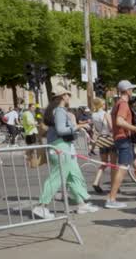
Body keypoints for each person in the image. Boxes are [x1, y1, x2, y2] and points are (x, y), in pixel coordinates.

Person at [32, 89, 100, 220]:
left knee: (73, 175)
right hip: (60, 146)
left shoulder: (57, 110)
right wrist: (80, 126)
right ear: (63, 96)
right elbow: (62, 130)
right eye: (68, 94)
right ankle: (41, 205)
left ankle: (81, 204)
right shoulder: (59, 111)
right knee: (57, 177)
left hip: (62, 146)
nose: (70, 97)